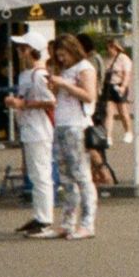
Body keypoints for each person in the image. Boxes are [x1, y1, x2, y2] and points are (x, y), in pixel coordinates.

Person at [6, 34, 58, 237]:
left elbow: (51, 101)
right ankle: (39, 215)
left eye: (21, 48)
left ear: (30, 50)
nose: (19, 52)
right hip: (29, 128)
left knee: (41, 174)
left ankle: (45, 219)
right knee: (35, 175)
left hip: (39, 130)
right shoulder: (26, 75)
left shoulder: (39, 75)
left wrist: (23, 104)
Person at [47, 35, 99, 238]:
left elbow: (89, 95)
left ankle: (87, 224)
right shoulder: (64, 70)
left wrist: (65, 84)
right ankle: (68, 223)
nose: (61, 59)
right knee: (66, 177)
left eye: (64, 55)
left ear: (72, 50)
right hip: (61, 123)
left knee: (81, 175)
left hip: (76, 125)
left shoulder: (84, 68)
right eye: (59, 56)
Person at [103, 37, 134, 143]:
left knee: (123, 111)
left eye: (110, 48)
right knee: (109, 112)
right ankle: (108, 136)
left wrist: (123, 87)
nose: (108, 51)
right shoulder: (106, 59)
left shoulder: (123, 58)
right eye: (107, 48)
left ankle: (128, 132)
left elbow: (126, 74)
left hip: (119, 86)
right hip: (108, 86)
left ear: (115, 47)